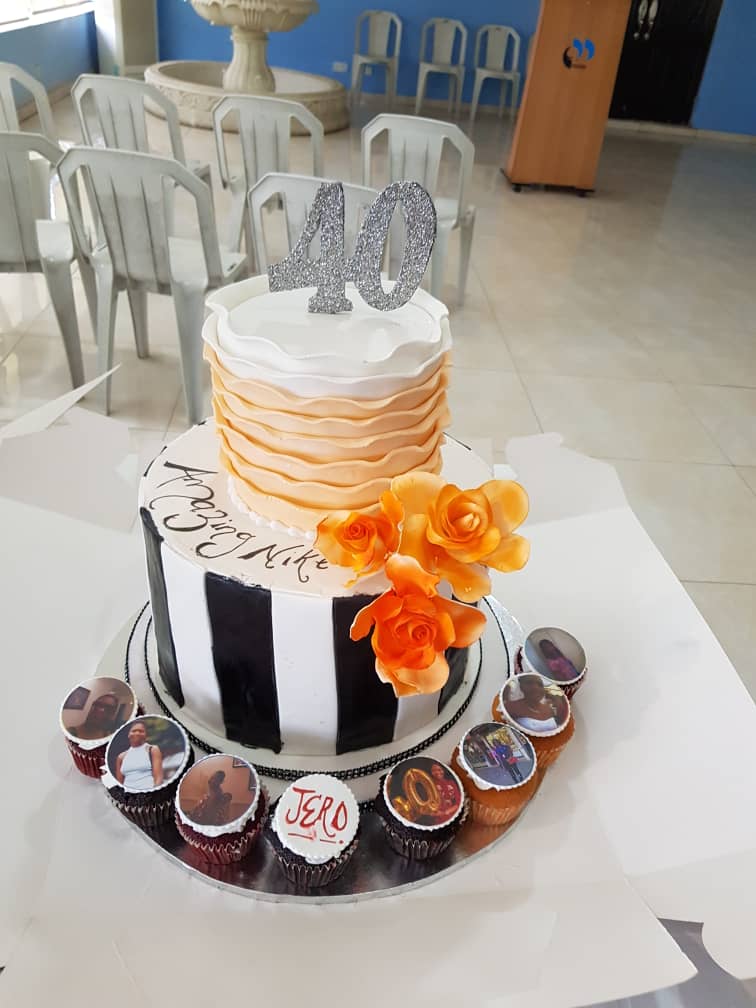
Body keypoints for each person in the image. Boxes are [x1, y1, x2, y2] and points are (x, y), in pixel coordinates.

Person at [115, 721, 163, 789]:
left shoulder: (152, 749)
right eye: (134, 731)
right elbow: (119, 783)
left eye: (141, 731)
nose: (137, 733)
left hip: (148, 790)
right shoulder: (121, 757)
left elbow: (158, 777)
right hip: (129, 793)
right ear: (128, 734)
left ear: (146, 735)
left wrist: (154, 792)